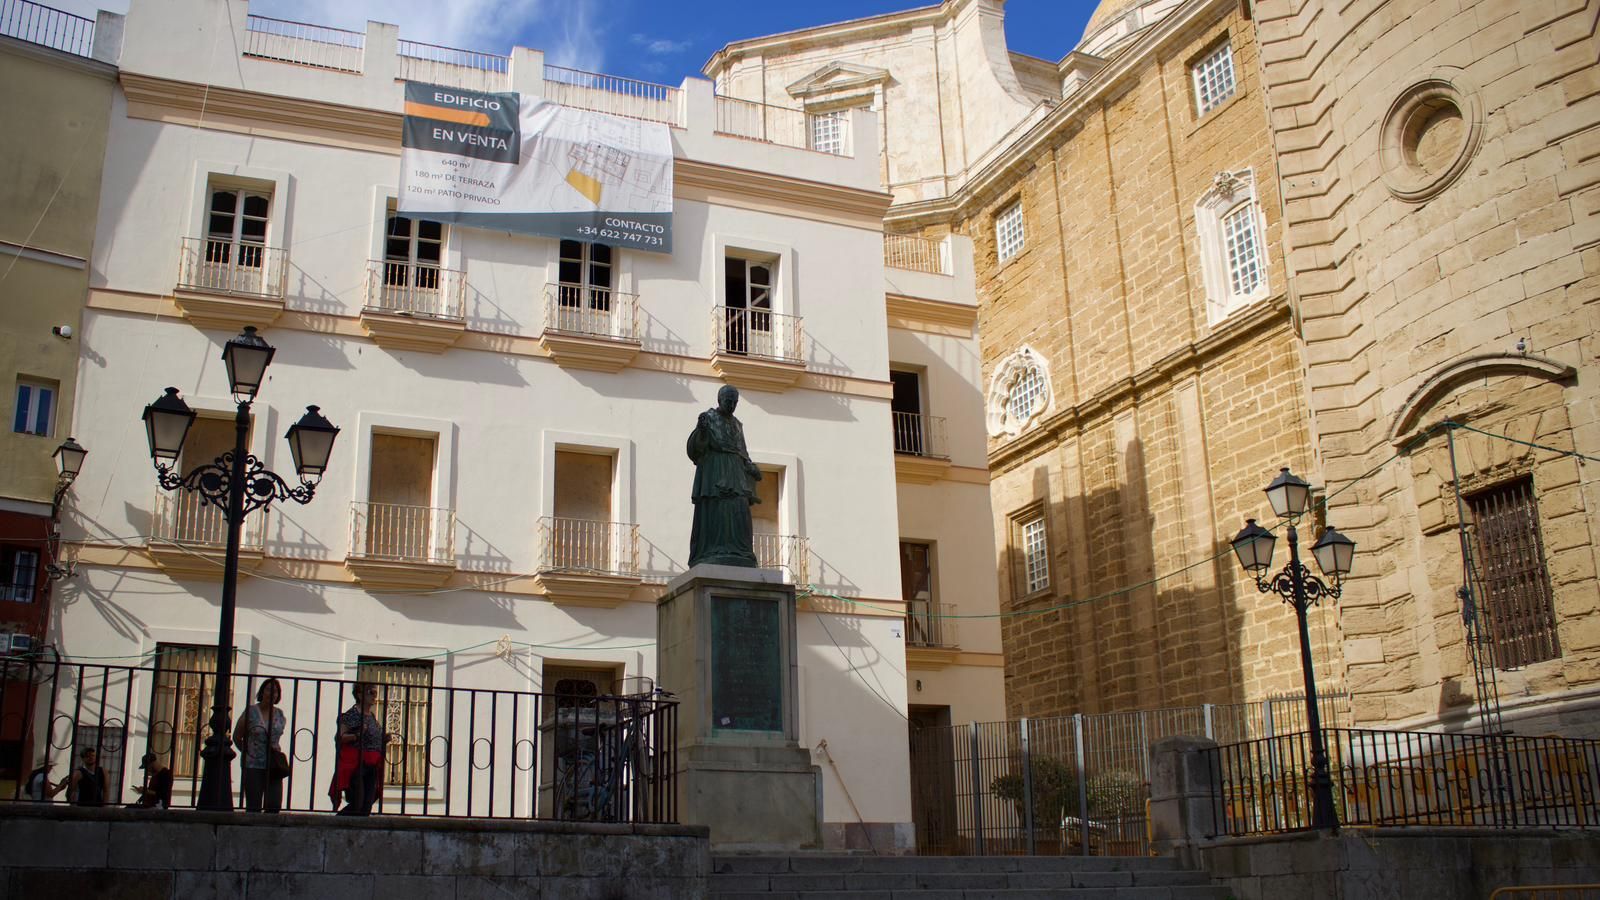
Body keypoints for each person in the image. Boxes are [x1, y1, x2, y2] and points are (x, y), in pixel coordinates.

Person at [686, 384, 763, 567]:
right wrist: (702, 431)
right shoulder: (708, 418)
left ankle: (740, 551)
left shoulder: (737, 424)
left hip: (736, 473)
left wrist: (750, 466)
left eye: (734, 402)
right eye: (728, 401)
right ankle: (713, 550)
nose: (731, 405)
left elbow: (742, 451)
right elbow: (695, 450)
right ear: (719, 400)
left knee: (739, 508)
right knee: (717, 510)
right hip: (715, 471)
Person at [330, 682, 385, 816]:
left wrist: (384, 739)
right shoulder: (351, 715)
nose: (374, 696)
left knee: (367, 804)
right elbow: (340, 737)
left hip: (372, 764)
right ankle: (335, 824)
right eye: (370, 692)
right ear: (359, 695)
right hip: (357, 764)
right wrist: (356, 735)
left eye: (375, 693)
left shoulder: (371, 716)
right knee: (357, 803)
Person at [234, 677, 287, 813]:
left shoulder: (279, 714)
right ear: (262, 692)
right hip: (253, 764)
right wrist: (247, 752)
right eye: (268, 690)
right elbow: (237, 736)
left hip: (273, 764)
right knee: (254, 803)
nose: (271, 694)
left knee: (274, 803)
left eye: (275, 691)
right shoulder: (251, 712)